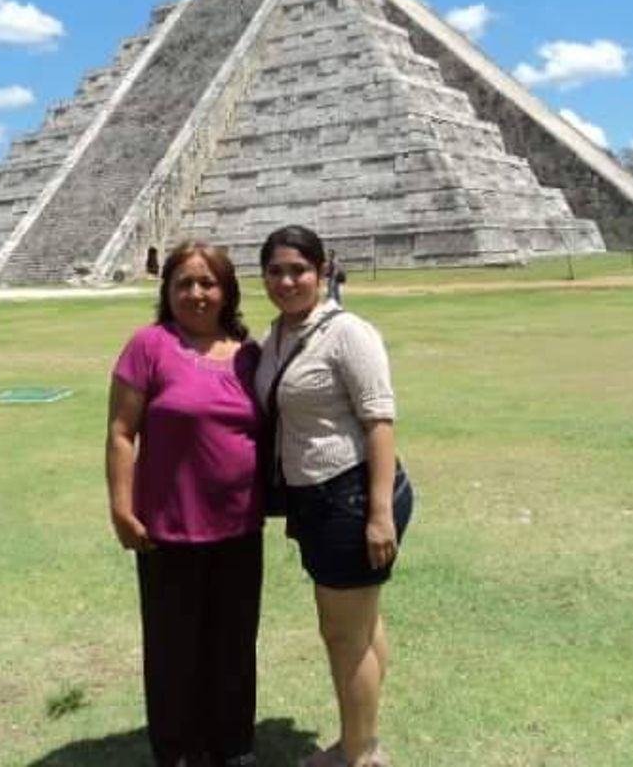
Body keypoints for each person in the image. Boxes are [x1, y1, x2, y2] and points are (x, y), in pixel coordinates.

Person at [255, 225, 413, 767]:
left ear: (322, 271)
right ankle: (366, 741)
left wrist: (378, 515)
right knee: (361, 627)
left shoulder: (349, 333)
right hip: (314, 499)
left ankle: (357, 753)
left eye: (299, 269)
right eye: (275, 270)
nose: (287, 280)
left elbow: (380, 419)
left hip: (352, 495)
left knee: (342, 634)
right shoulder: (275, 335)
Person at [105, 242, 263, 767]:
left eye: (208, 283)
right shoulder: (148, 346)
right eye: (184, 284)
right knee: (173, 650)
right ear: (167, 290)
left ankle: (232, 745)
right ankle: (176, 750)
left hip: (239, 526)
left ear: (227, 291)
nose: (196, 294)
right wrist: (121, 508)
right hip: (167, 529)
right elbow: (122, 432)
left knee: (234, 645)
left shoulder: (249, 353)